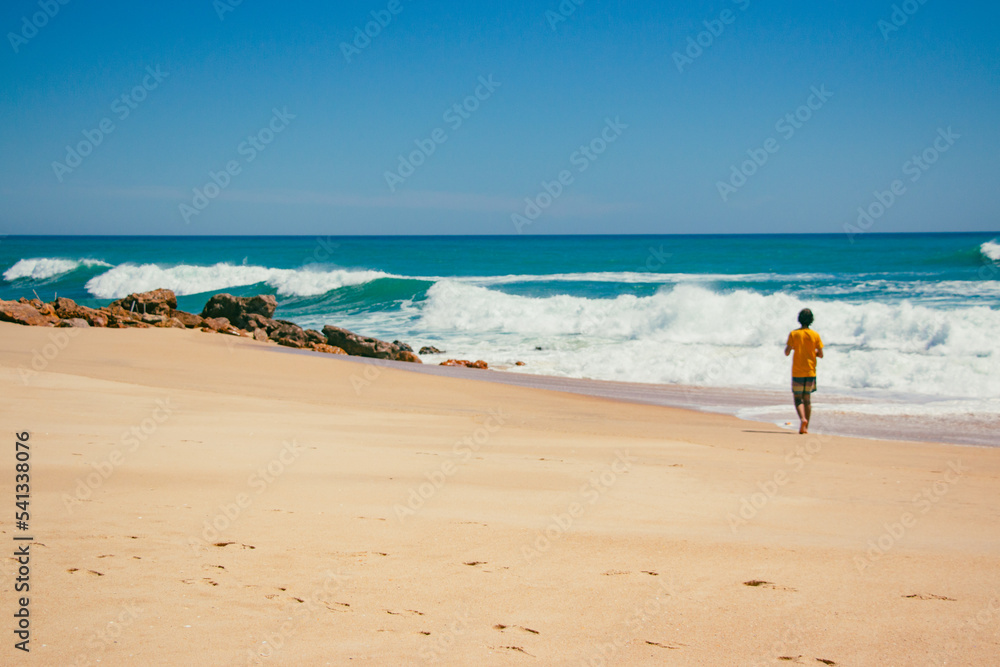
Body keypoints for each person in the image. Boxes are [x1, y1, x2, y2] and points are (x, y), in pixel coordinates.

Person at [785, 308, 823, 434]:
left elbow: (787, 352)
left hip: (797, 371)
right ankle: (806, 427)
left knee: (797, 399)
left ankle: (802, 419)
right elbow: (821, 354)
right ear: (811, 320)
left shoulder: (794, 334)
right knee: (807, 399)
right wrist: (812, 352)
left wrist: (794, 348)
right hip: (810, 371)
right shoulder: (815, 335)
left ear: (799, 319)